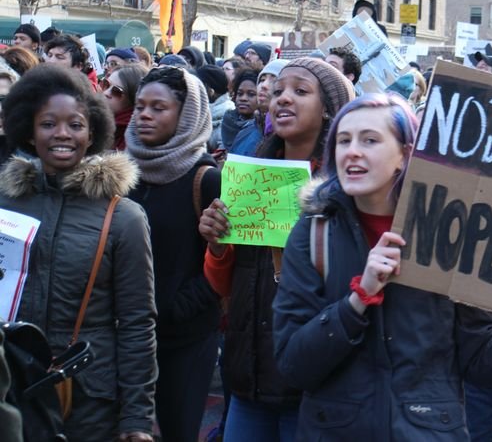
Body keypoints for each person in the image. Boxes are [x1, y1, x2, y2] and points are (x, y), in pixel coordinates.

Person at [271, 93, 492, 440]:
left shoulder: (454, 236)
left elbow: (477, 357)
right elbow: (293, 365)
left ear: (406, 154)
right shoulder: (313, 234)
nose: (352, 151)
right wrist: (358, 298)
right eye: (343, 140)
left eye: (369, 140)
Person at [200, 58, 355, 442]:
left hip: (313, 385)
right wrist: (217, 246)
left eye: (300, 91)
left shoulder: (347, 189)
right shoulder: (249, 177)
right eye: (280, 89)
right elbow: (225, 287)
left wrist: (289, 262)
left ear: (329, 111)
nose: (282, 98)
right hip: (248, 376)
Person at [0, 64, 157, 441]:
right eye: (48, 123)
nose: (62, 134)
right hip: (11, 389)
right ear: (30, 131)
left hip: (88, 400)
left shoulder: (123, 218)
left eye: (75, 125)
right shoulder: (5, 205)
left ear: (92, 135)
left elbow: (138, 323)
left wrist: (137, 417)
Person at [124, 66, 221, 441]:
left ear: (187, 115)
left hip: (185, 340)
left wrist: (178, 307)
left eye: (158, 108)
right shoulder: (123, 172)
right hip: (130, 337)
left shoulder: (207, 178)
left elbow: (225, 261)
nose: (144, 115)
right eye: (140, 106)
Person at [102, 63, 148, 151]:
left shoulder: (136, 138)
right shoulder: (97, 123)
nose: (106, 93)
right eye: (106, 84)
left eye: (116, 91)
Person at [220, 68, 260, 156]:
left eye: (251, 94)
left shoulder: (263, 129)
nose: (243, 98)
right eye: (240, 93)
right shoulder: (228, 121)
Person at [196, 64, 235, 153]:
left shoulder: (228, 116)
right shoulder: (197, 111)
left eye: (199, 85)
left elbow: (221, 155)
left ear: (211, 91)